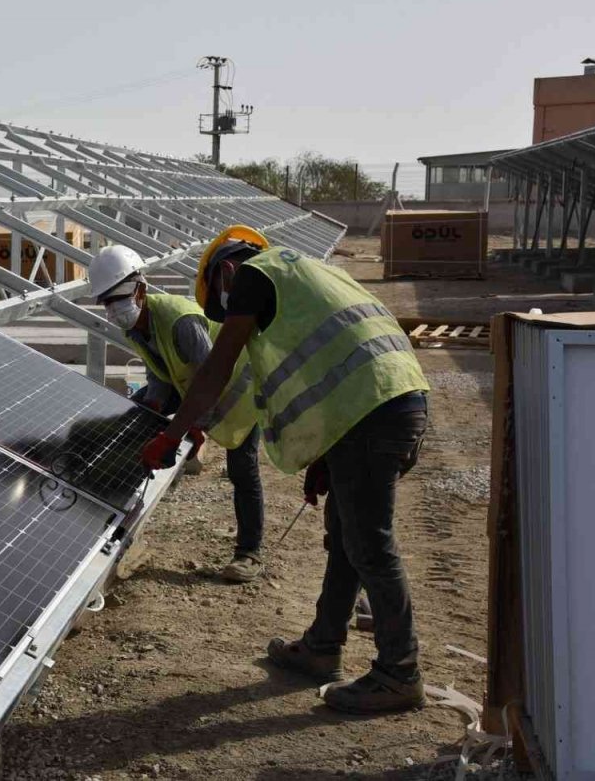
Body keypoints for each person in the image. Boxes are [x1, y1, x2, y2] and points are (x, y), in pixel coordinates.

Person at [141, 225, 430, 714]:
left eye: (223, 303)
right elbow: (330, 360)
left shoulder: (253, 275)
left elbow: (216, 369)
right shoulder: (308, 270)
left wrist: (172, 435)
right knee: (345, 534)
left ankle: (399, 672)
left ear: (226, 271)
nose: (231, 315)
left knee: (369, 544)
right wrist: (326, 450)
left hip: (374, 410)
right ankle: (322, 647)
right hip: (387, 401)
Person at [89, 245, 266, 583]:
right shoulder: (137, 327)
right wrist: (153, 411)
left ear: (140, 289)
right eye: (107, 302)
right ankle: (120, 504)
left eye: (118, 298)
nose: (113, 309)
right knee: (135, 412)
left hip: (238, 396)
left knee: (242, 469)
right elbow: (160, 374)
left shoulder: (179, 320)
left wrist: (191, 428)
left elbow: (214, 373)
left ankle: (248, 553)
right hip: (194, 390)